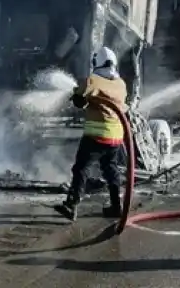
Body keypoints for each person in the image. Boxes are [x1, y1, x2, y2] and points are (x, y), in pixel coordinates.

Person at [53, 46, 127, 221]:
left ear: (97, 62)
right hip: (116, 137)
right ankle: (116, 206)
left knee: (81, 168)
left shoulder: (93, 80)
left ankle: (72, 204)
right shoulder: (121, 84)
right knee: (111, 169)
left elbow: (80, 97)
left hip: (96, 136)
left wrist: (77, 94)